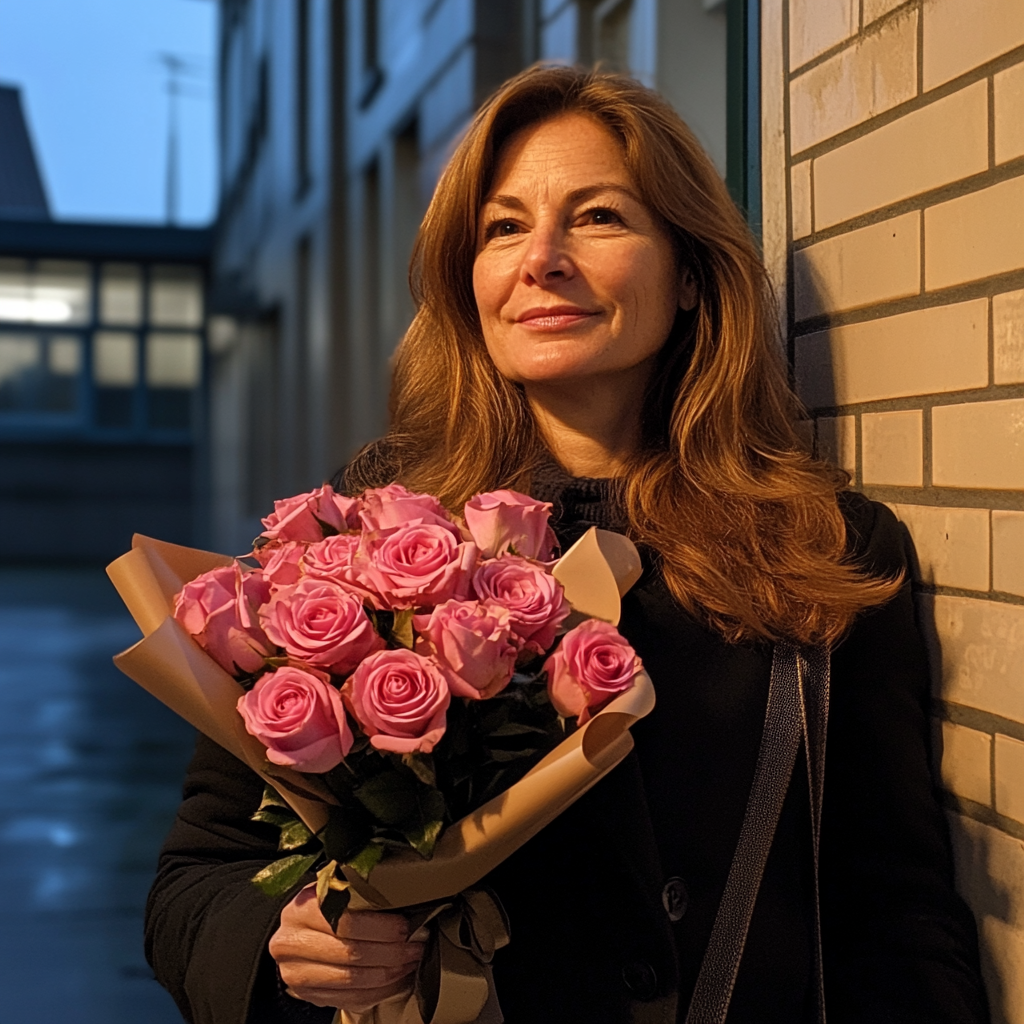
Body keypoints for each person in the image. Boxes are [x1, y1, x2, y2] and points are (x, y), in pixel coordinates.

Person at [146, 66, 990, 1024]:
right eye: (503, 228)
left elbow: (893, 910)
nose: (541, 259)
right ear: (471, 283)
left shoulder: (825, 545)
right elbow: (200, 876)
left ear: (687, 273)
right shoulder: (363, 528)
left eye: (597, 217)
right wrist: (286, 942)